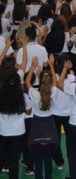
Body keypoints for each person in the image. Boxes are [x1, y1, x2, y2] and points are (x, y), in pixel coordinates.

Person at [0, 37, 30, 178]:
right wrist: (24, 46)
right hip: (18, 132)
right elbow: (24, 64)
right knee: (14, 162)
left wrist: (6, 47)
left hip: (3, 131)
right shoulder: (22, 96)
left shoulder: (1, 88)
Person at [25, 55, 59, 179]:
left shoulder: (35, 94)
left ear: (39, 81)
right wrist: (51, 66)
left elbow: (27, 82)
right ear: (50, 83)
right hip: (50, 128)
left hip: (36, 129)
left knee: (38, 162)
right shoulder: (53, 94)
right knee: (48, 161)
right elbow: (55, 82)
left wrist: (33, 66)